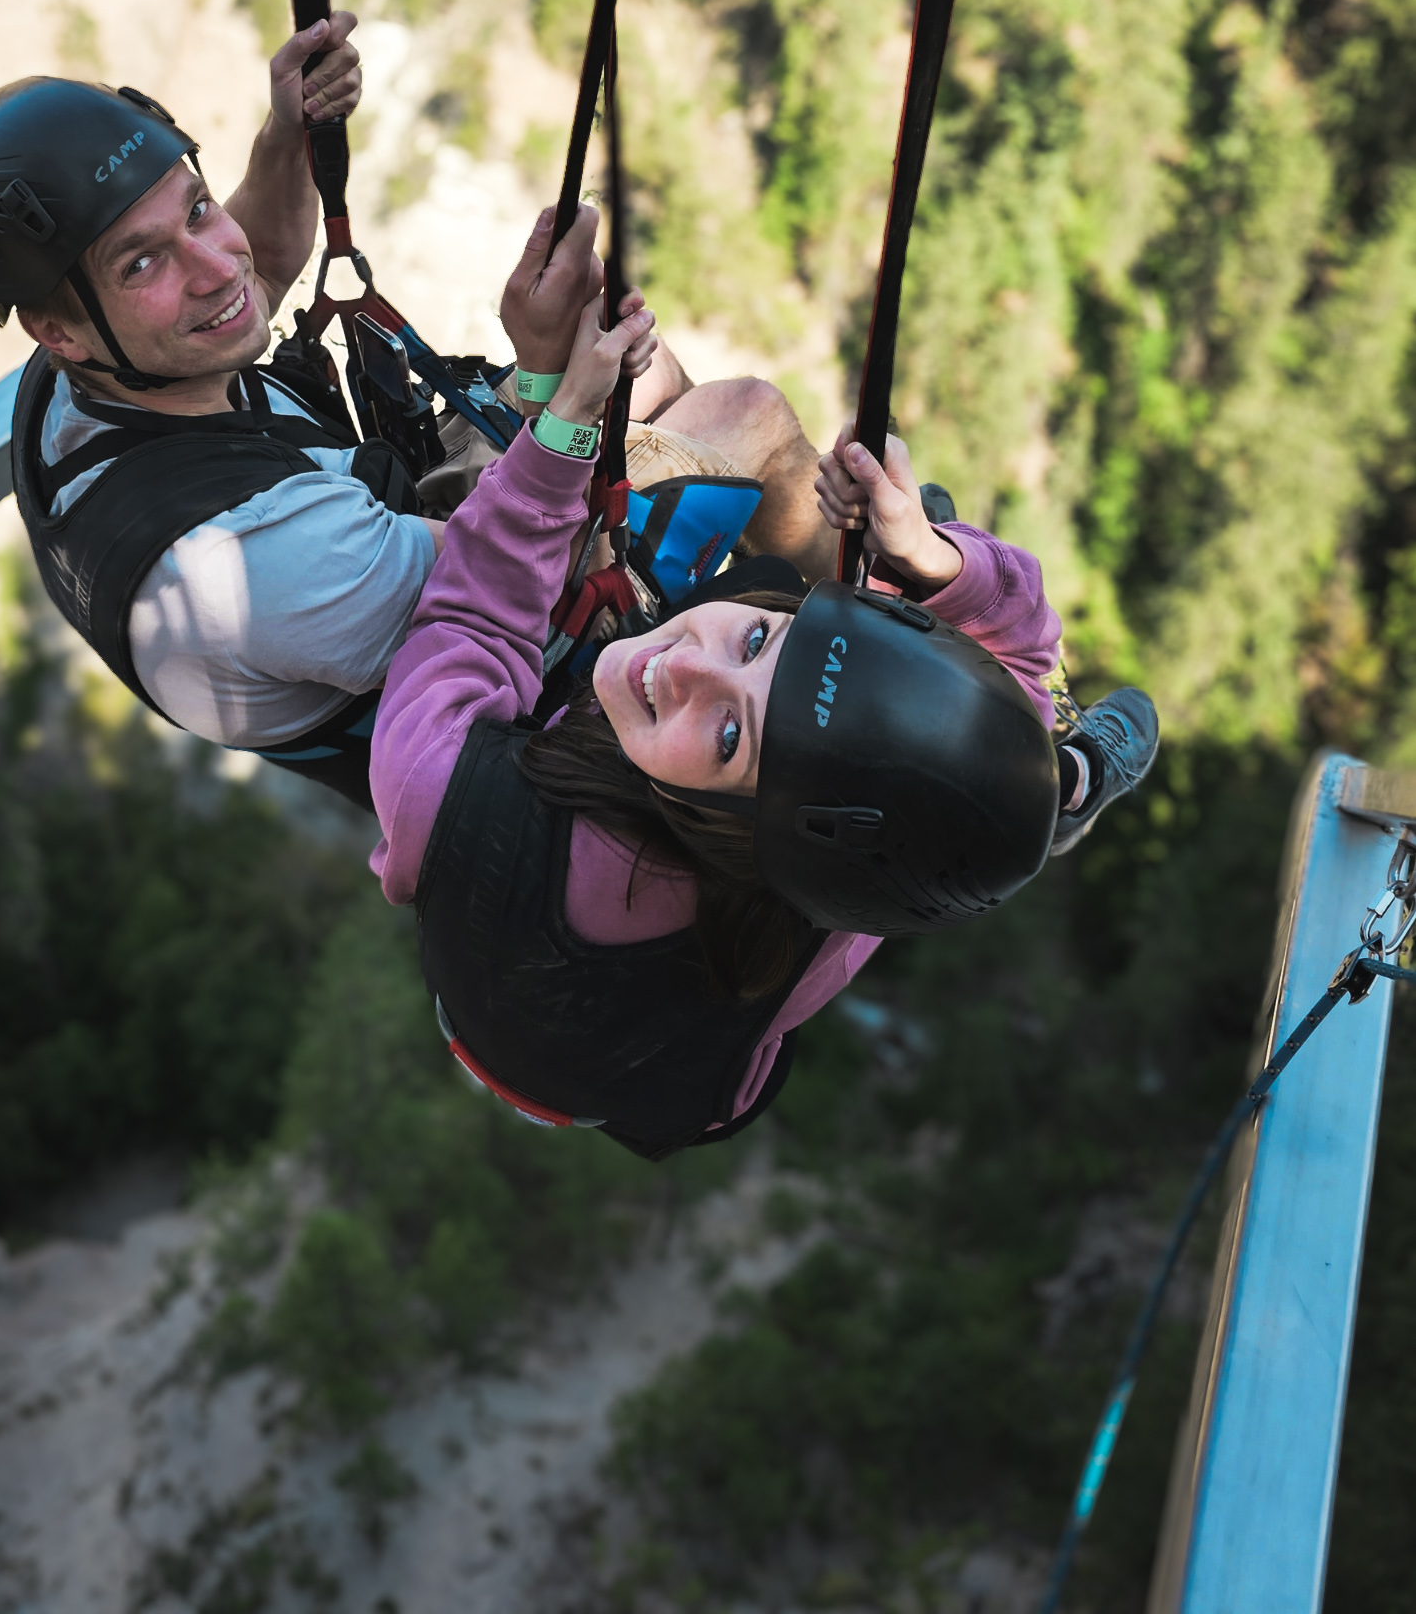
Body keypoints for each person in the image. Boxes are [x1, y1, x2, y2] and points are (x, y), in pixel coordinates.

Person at [0, 24, 838, 808]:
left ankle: (787, 580)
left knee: (657, 373)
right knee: (743, 414)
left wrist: (289, 134)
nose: (213, 266)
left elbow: (258, 267)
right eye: (141, 263)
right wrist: (548, 376)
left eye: (197, 208)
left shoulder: (90, 377)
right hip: (523, 686)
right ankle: (860, 592)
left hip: (399, 545)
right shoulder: (248, 561)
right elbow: (520, 580)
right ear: (59, 329)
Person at [371, 270, 1161, 1160]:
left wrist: (562, 429)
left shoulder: (438, 790)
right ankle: (1057, 784)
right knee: (925, 822)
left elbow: (475, 611)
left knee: (809, 639)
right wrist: (929, 562)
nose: (685, 664)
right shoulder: (799, 917)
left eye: (730, 734)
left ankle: (1002, 748)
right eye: (752, 647)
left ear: (742, 823)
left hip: (560, 1033)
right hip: (675, 1088)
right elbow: (1018, 660)